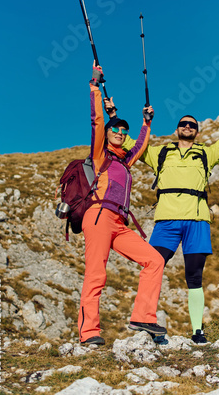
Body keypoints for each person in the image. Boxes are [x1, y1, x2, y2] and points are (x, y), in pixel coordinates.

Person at [104, 90, 219, 344]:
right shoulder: (160, 154)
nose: (187, 126)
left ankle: (198, 331)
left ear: (197, 131)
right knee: (152, 263)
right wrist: (113, 115)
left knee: (194, 276)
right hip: (167, 221)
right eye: (183, 124)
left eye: (192, 125)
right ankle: (144, 319)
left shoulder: (206, 154)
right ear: (177, 129)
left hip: (197, 221)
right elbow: (130, 143)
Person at [78, 64, 167, 346]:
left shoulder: (124, 161)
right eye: (115, 128)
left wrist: (146, 123)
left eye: (123, 130)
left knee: (154, 260)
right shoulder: (101, 156)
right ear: (108, 133)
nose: (119, 131)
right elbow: (96, 121)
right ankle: (89, 333)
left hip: (119, 223)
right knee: (96, 274)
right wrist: (95, 85)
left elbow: (139, 146)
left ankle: (143, 317)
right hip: (99, 216)